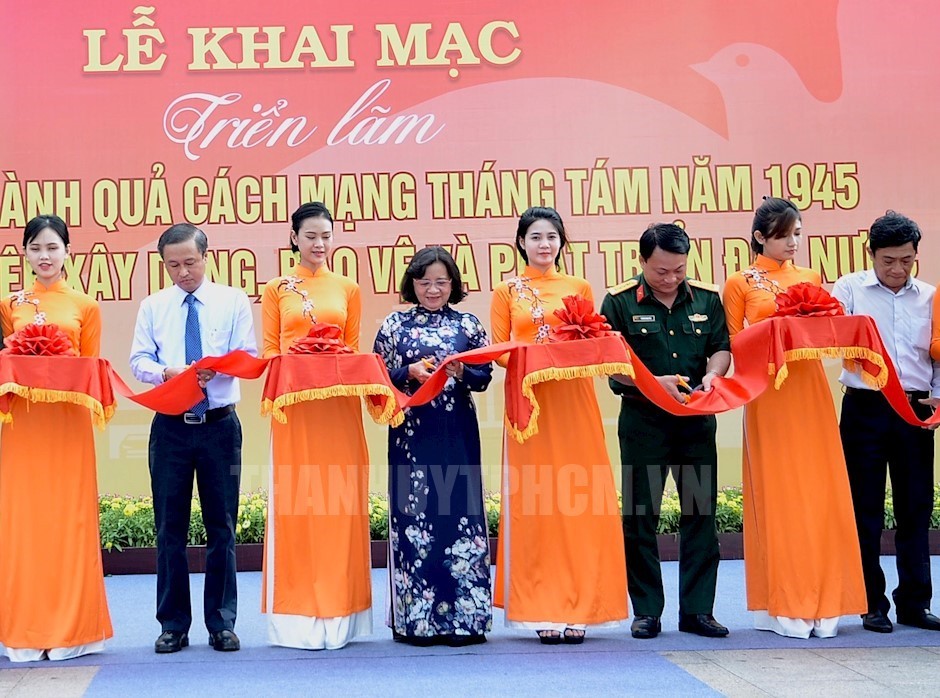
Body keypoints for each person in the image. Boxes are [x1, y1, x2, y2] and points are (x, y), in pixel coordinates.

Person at [723, 197, 866, 638]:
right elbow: (734, 343)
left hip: (809, 392)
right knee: (780, 493)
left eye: (798, 233)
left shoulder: (809, 277)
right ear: (760, 237)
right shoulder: (739, 283)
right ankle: (783, 601)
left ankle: (826, 600)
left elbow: (823, 334)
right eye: (784, 234)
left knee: (819, 492)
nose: (793, 242)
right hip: (767, 395)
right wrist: (774, 331)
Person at [490, 206, 627, 645]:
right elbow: (499, 350)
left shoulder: (579, 286)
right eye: (535, 237)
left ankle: (582, 606)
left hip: (575, 402)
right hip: (530, 406)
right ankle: (542, 607)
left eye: (551, 237)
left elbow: (590, 340)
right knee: (537, 505)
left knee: (579, 502)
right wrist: (540, 359)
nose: (544, 244)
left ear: (562, 243)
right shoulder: (506, 290)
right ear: (521, 243)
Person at [600, 222, 731, 640]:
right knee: (641, 515)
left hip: (694, 422)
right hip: (644, 424)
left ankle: (697, 611)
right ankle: (647, 610)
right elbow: (611, 368)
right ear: (642, 262)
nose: (671, 278)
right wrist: (653, 383)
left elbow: (721, 349)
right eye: (661, 271)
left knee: (700, 514)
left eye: (678, 270)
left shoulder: (708, 299)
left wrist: (713, 375)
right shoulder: (618, 301)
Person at [130, 223, 256, 654]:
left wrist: (217, 368)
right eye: (173, 265)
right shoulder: (154, 306)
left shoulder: (232, 300)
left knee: (222, 526)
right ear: (163, 263)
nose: (183, 272)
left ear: (205, 257)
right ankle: (173, 624)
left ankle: (221, 622)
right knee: (170, 528)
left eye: (190, 262)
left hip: (220, 425)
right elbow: (138, 360)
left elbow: (248, 356)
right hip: (170, 428)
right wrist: (166, 372)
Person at [0, 215, 113, 662]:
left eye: (52, 247)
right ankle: (25, 630)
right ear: (24, 254)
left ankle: (74, 630)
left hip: (68, 428)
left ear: (68, 250)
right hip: (22, 429)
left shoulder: (85, 306)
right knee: (23, 524)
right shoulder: (9, 305)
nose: (45, 256)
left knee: (70, 522)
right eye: (35, 248)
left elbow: (90, 367)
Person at [260, 201, 372, 650]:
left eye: (326, 235)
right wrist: (300, 364)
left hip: (339, 410)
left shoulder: (347, 287)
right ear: (294, 238)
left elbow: (354, 349)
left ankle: (341, 615)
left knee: (339, 503)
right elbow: (270, 352)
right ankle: (298, 618)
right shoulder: (276, 288)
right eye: (310, 236)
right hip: (296, 410)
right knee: (299, 503)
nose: (319, 244)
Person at [373, 246, 493, 647]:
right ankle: (417, 621)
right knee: (415, 519)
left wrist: (461, 370)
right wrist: (406, 371)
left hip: (456, 431)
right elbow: (376, 376)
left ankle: (466, 620)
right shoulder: (394, 324)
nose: (433, 289)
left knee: (459, 514)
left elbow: (484, 376)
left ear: (454, 284)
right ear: (413, 283)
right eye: (425, 282)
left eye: (442, 282)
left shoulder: (469, 323)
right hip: (412, 434)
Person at [833, 210, 940, 633]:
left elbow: (934, 356)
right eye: (888, 261)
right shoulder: (849, 289)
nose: (898, 270)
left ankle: (915, 603)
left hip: (915, 409)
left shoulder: (930, 296)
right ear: (871, 253)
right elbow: (829, 333)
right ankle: (870, 603)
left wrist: (937, 400)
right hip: (865, 408)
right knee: (865, 511)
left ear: (917, 255)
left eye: (907, 260)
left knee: (915, 508)